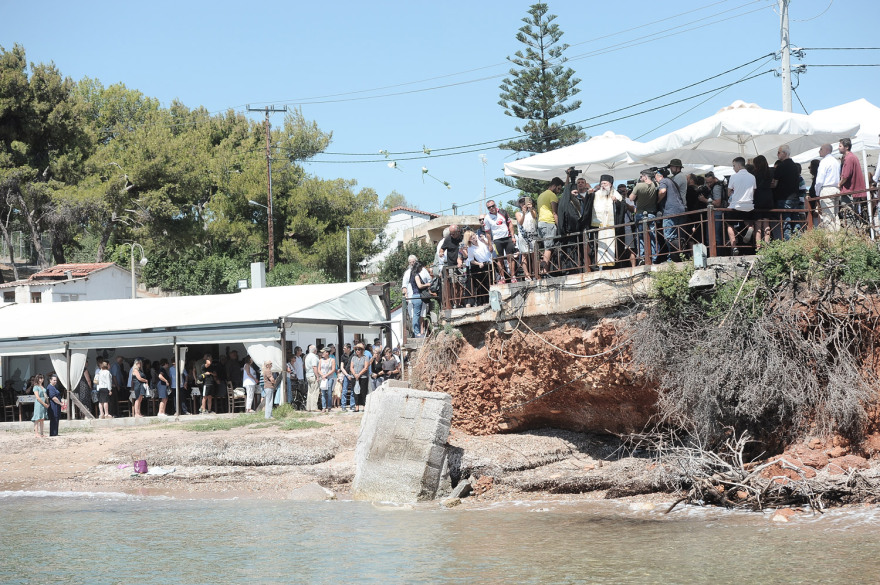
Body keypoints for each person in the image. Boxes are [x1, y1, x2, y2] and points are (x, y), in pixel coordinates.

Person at [482, 199, 518, 283]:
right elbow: (487, 232)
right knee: (500, 259)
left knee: (510, 257)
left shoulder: (503, 212)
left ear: (495, 205)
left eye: (492, 206)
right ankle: (502, 277)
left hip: (507, 237)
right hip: (497, 240)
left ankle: (513, 276)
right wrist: (490, 244)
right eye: (489, 207)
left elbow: (510, 224)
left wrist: (513, 236)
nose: (491, 208)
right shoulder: (487, 218)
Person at [727, 156, 756, 255]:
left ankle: (734, 246)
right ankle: (750, 228)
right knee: (747, 220)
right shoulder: (752, 177)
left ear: (739, 165)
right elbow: (753, 192)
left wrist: (734, 192)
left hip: (736, 206)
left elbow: (729, 193)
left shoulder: (733, 177)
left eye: (734, 165)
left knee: (730, 225)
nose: (733, 168)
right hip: (749, 206)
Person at [655, 167, 686, 260]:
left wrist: (657, 200)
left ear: (659, 176)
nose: (655, 180)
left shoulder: (663, 181)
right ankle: (680, 256)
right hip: (680, 210)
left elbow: (662, 191)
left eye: (655, 177)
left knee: (668, 235)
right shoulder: (672, 181)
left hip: (670, 211)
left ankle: (671, 258)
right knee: (679, 235)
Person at [772, 144, 802, 240]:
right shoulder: (795, 166)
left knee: (786, 223)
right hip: (795, 198)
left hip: (784, 198)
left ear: (784, 153)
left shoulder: (781, 166)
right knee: (795, 221)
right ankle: (798, 242)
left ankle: (788, 244)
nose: (777, 154)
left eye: (778, 152)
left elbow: (774, 184)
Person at [536, 177, 564, 277]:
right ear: (554, 186)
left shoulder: (541, 195)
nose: (559, 191)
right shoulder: (552, 195)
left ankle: (543, 270)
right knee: (548, 248)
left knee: (545, 248)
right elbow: (555, 213)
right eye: (558, 188)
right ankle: (545, 272)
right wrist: (559, 226)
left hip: (540, 223)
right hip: (549, 223)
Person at [630, 170, 659, 264]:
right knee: (653, 235)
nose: (640, 178)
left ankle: (642, 257)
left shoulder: (639, 186)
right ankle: (654, 257)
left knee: (640, 236)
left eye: (641, 176)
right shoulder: (655, 185)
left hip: (640, 213)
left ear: (645, 177)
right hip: (651, 213)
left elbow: (631, 198)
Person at [813, 144, 841, 230]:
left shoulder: (824, 161)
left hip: (827, 189)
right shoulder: (836, 161)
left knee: (828, 216)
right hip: (836, 188)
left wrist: (817, 192)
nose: (819, 151)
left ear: (826, 150)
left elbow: (820, 180)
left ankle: (831, 236)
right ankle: (838, 234)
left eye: (821, 149)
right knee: (835, 215)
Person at [751, 155, 775, 248]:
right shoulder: (770, 172)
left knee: (758, 226)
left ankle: (758, 247)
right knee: (766, 224)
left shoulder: (754, 174)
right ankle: (767, 246)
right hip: (768, 198)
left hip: (758, 198)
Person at [838, 137, 867, 216]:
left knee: (849, 215)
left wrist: (839, 184)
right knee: (853, 214)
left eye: (840, 146)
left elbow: (846, 175)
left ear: (846, 147)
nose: (838, 148)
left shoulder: (849, 158)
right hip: (853, 191)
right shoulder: (851, 157)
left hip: (850, 191)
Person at [465, 229, 493, 306]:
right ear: (469, 240)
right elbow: (471, 260)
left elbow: (490, 246)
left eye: (473, 235)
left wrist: (485, 241)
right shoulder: (470, 248)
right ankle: (484, 301)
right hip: (483, 264)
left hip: (490, 262)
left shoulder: (481, 239)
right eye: (471, 237)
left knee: (491, 282)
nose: (473, 237)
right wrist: (478, 263)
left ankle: (492, 300)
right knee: (484, 283)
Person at [515, 196, 537, 281]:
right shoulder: (518, 213)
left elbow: (535, 217)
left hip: (532, 235)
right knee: (524, 255)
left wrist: (530, 209)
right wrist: (524, 213)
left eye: (524, 201)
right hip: (523, 236)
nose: (523, 203)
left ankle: (535, 274)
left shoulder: (532, 211)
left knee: (533, 255)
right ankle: (527, 274)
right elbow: (520, 222)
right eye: (521, 202)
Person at [348, 344, 370, 413]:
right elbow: (351, 367)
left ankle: (364, 406)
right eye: (356, 349)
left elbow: (366, 367)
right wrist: (355, 374)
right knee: (355, 392)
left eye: (359, 349)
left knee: (363, 392)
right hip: (354, 377)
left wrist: (359, 374)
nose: (357, 351)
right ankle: (356, 406)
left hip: (363, 377)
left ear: (362, 350)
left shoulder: (365, 357)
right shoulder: (353, 358)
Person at [318, 349, 335, 413]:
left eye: (323, 352)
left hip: (330, 378)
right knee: (323, 393)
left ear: (327, 353)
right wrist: (322, 375)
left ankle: (329, 407)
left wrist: (326, 375)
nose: (322, 353)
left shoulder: (332, 360)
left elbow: (333, 369)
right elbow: (319, 369)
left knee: (329, 393)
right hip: (323, 378)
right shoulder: (321, 360)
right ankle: (324, 407)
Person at [304, 345, 320, 412]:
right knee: (315, 391)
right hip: (313, 375)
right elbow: (314, 367)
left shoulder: (307, 356)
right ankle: (314, 407)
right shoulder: (314, 357)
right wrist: (317, 376)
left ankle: (309, 407)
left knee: (310, 392)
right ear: (315, 350)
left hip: (308, 375)